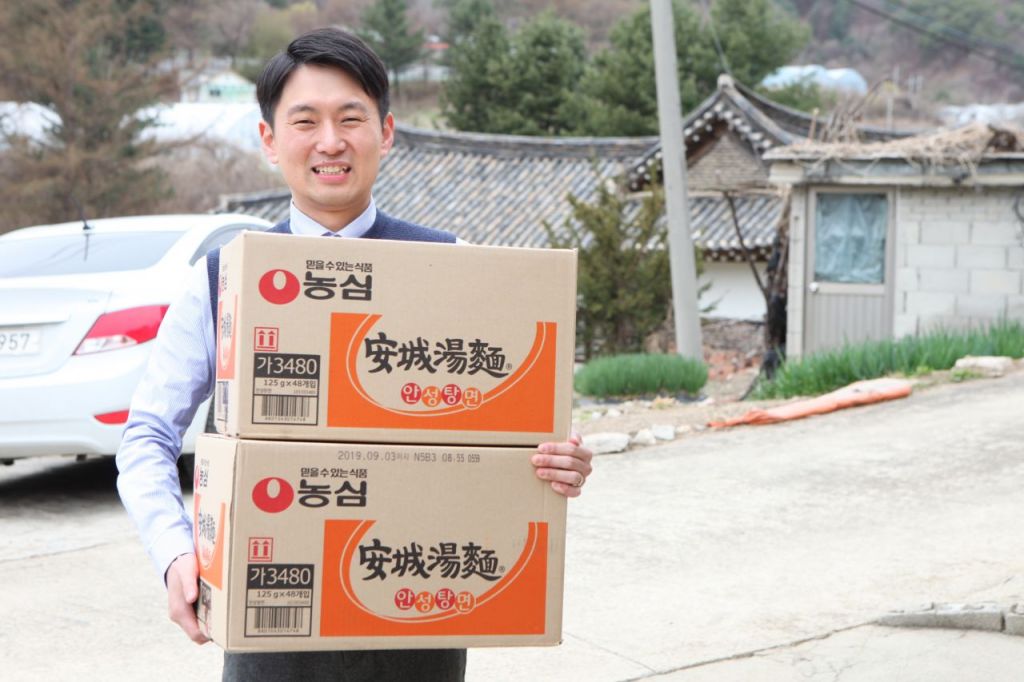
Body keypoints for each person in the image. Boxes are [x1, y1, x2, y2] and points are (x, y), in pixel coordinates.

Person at [115, 27, 593, 682]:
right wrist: (175, 554)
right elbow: (146, 436)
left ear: (386, 133)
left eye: (350, 119)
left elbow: (503, 430)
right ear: (269, 141)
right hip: (269, 637)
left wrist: (556, 464)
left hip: (418, 620)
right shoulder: (222, 279)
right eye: (305, 121)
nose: (330, 141)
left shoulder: (455, 267)